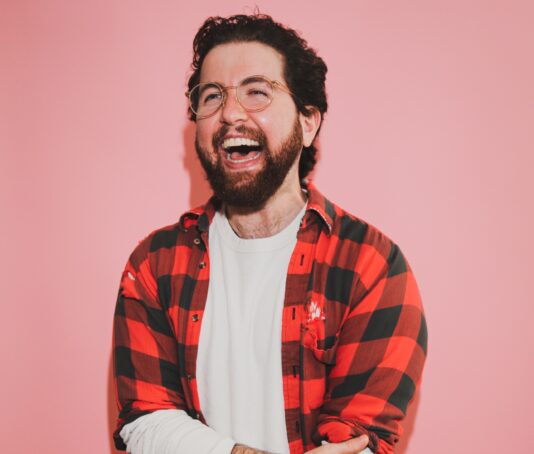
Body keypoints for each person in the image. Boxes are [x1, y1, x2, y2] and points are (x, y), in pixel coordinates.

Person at [112, 13, 427, 454]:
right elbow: (145, 421)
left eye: (257, 92)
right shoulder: (154, 265)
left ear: (307, 122)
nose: (230, 113)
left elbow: (359, 441)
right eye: (212, 96)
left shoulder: (369, 265)